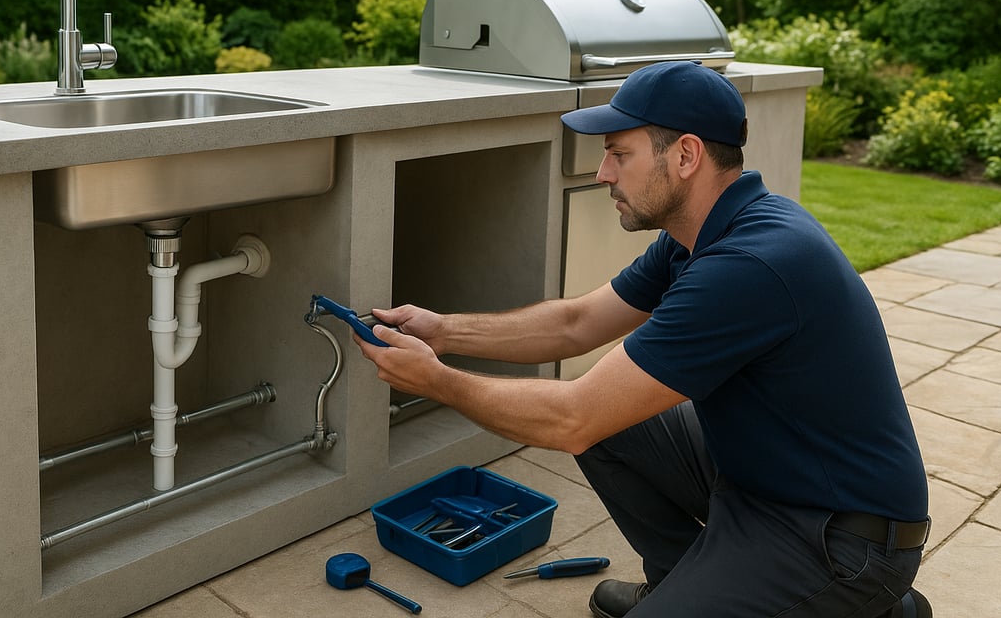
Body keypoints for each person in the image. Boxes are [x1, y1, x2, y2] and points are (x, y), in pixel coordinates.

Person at [352, 60, 932, 617]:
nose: (604, 173)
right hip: (761, 475)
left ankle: (860, 603)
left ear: (685, 155)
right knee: (616, 424)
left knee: (592, 416)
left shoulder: (751, 264)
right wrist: (446, 330)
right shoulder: (698, 234)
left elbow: (570, 418)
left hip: (838, 534)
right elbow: (575, 323)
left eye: (618, 154)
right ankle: (686, 582)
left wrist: (436, 382)